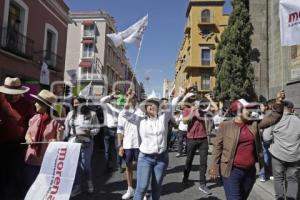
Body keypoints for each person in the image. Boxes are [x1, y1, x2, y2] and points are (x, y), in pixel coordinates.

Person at [209, 91, 285, 200]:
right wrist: (214, 168)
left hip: (250, 172)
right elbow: (217, 147)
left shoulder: (254, 123)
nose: (250, 111)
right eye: (247, 109)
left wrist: (279, 102)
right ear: (238, 111)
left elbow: (274, 117)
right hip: (231, 171)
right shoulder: (225, 126)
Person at [123, 89, 184, 200]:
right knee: (141, 188)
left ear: (158, 107)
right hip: (145, 158)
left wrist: (180, 95)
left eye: (154, 104)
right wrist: (128, 99)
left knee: (156, 189)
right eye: (149, 105)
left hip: (161, 158)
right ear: (145, 108)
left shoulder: (163, 117)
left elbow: (173, 103)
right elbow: (125, 114)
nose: (152, 106)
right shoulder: (140, 120)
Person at [0, 77, 35, 199]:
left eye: (16, 94)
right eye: (10, 94)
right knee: (2, 172)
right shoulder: (1, 100)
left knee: (16, 173)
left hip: (18, 146)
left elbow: (32, 124)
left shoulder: (27, 105)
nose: (13, 97)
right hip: (1, 144)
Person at [24, 90, 64, 191]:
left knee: (44, 189)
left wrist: (55, 141)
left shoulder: (55, 122)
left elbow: (60, 141)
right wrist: (28, 139)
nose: (35, 104)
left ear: (45, 106)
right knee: (31, 187)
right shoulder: (34, 118)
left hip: (46, 161)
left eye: (38, 102)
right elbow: (27, 133)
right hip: (31, 159)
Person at [181, 91, 218, 195]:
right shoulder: (187, 109)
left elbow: (216, 109)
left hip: (203, 138)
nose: (194, 100)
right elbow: (184, 121)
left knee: (203, 162)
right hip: (191, 138)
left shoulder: (202, 109)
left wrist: (209, 99)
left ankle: (202, 184)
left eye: (195, 98)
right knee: (189, 160)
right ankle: (185, 176)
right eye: (192, 99)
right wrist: (192, 111)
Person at [263, 100, 300, 200]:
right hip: (294, 156)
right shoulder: (298, 120)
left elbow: (266, 137)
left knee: (278, 179)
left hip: (277, 155)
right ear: (292, 109)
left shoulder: (275, 119)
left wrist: (273, 140)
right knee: (293, 180)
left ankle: (279, 198)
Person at [64, 96, 100, 197]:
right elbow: (66, 129)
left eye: (78, 103)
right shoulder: (70, 114)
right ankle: (77, 186)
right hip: (73, 142)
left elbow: (97, 129)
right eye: (75, 103)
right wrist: (63, 138)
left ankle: (88, 181)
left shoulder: (92, 114)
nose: (77, 105)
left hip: (87, 142)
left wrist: (89, 132)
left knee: (85, 165)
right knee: (74, 165)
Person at [117, 92, 145, 200]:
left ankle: (141, 191)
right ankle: (130, 189)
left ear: (136, 99)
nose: (131, 99)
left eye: (133, 97)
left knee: (142, 168)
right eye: (129, 97)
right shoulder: (122, 113)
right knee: (128, 167)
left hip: (140, 144)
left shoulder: (141, 112)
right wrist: (120, 145)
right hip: (127, 144)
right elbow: (120, 130)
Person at [100, 92, 124, 172]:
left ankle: (119, 165)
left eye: (116, 99)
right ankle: (108, 165)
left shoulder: (121, 107)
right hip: (107, 130)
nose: (115, 100)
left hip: (118, 130)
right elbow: (101, 100)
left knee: (119, 149)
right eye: (113, 98)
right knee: (107, 150)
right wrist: (111, 95)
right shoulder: (107, 106)